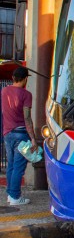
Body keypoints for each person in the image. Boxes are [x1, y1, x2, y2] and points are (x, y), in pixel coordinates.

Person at [1, 66, 37, 206]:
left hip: (7, 133)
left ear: (12, 78)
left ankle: (10, 195)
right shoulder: (26, 94)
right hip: (21, 134)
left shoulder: (4, 91)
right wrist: (33, 138)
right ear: (25, 79)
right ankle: (15, 197)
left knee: (10, 166)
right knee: (19, 167)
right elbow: (27, 118)